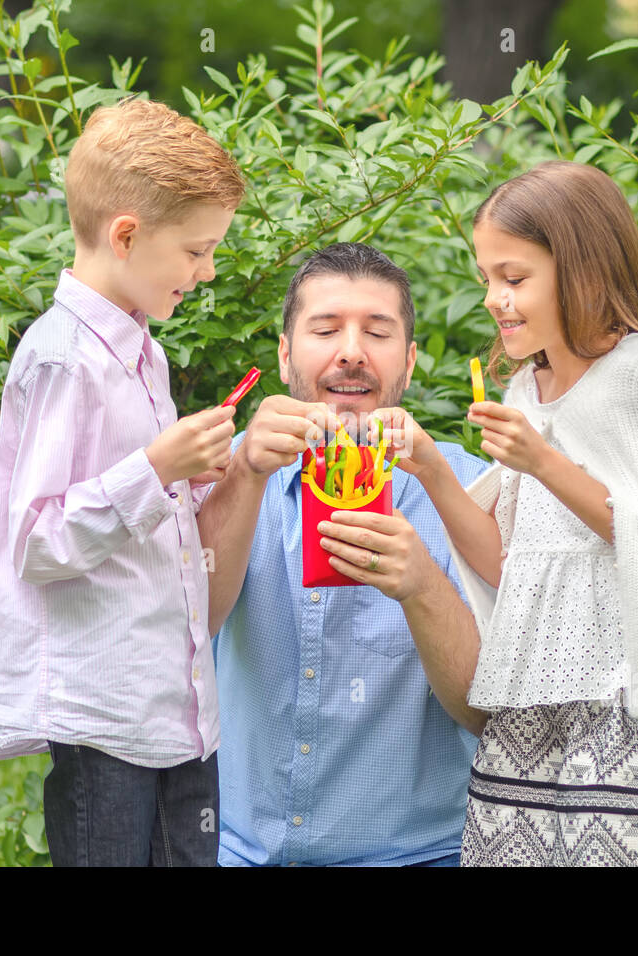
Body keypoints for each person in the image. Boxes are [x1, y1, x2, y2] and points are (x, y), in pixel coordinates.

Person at [398, 161, 638, 866]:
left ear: (582, 268)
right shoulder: (523, 390)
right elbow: (512, 565)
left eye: (513, 278)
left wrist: (544, 462)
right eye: (486, 279)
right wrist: (431, 467)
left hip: (631, 703)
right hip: (532, 704)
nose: (494, 300)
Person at [0, 98, 245, 866]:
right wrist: (158, 467)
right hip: (107, 719)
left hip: (177, 713)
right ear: (126, 236)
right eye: (197, 251)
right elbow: (37, 541)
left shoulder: (141, 352)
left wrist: (191, 478)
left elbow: (138, 511)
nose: (209, 270)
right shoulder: (64, 357)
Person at [197, 243, 491, 866]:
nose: (351, 350)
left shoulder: (470, 494)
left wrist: (422, 586)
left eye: (377, 332)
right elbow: (183, 630)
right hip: (239, 854)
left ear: (408, 364)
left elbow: (486, 715)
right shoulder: (217, 469)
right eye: (325, 328)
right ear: (284, 355)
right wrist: (244, 475)